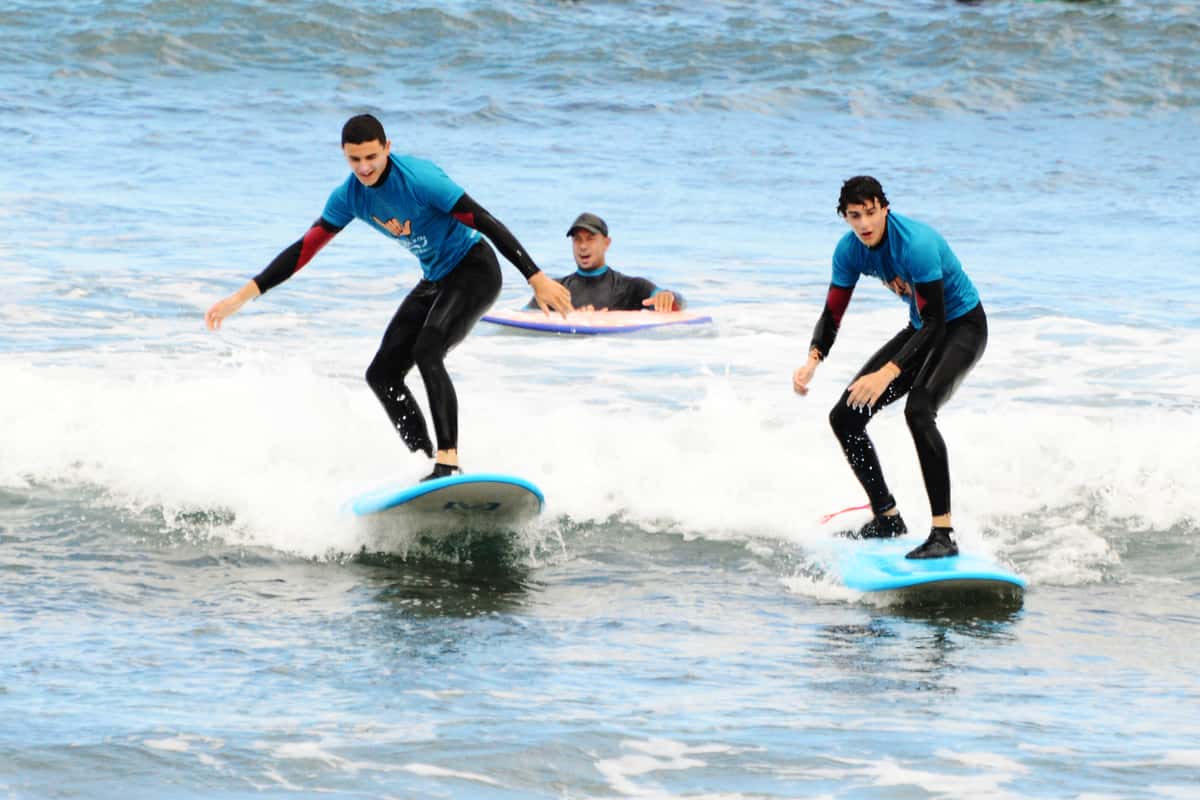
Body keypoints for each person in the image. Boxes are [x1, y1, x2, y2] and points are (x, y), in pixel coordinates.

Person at [205, 114, 573, 481]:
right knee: (382, 375)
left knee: (428, 351)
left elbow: (484, 219)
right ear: (344, 155)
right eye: (355, 160)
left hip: (474, 268)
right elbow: (303, 250)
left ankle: (448, 461)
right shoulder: (348, 197)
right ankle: (426, 464)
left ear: (387, 149)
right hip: (435, 278)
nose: (364, 168)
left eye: (371, 157)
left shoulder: (420, 179)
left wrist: (535, 277)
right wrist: (242, 296)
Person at [792, 176, 987, 559]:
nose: (864, 224)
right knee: (844, 418)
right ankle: (887, 517)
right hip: (922, 328)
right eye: (854, 216)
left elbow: (937, 324)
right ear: (844, 217)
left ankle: (943, 534)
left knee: (919, 410)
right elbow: (832, 313)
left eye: (870, 213)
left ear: (884, 208)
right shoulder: (849, 251)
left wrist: (888, 372)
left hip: (962, 326)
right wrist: (812, 359)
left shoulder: (917, 245)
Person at [525, 212, 685, 312]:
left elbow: (679, 303)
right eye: (577, 240)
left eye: (590, 239)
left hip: (611, 358)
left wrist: (668, 296)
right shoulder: (556, 290)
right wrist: (574, 319)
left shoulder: (632, 287)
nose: (582, 246)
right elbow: (521, 318)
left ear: (607, 243)